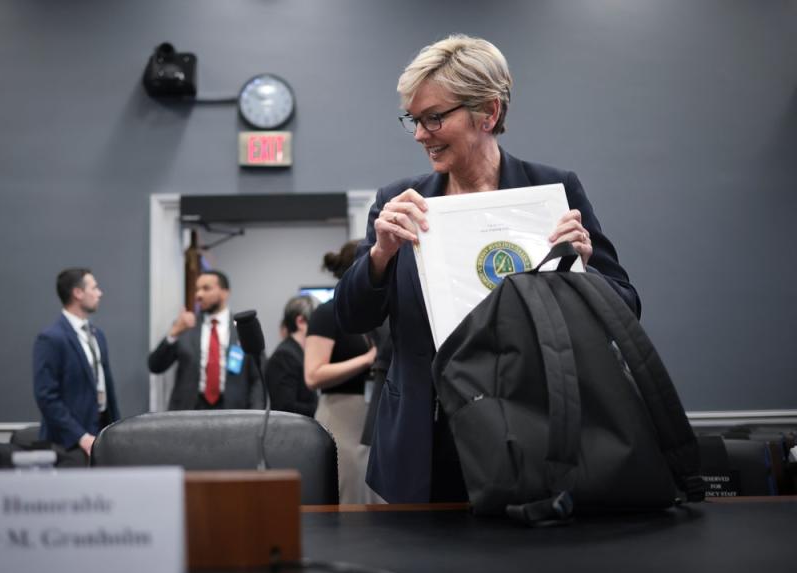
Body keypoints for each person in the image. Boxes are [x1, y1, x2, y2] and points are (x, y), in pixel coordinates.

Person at [335, 35, 640, 504]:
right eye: (414, 120)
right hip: (425, 444)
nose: (420, 134)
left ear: (489, 113)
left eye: (434, 117)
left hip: (536, 435)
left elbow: (625, 308)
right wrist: (379, 255)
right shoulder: (399, 201)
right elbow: (350, 318)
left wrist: (582, 268)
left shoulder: (553, 189)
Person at [305, 241, 381, 504]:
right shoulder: (327, 314)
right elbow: (313, 375)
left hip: (373, 414)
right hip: (341, 416)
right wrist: (367, 359)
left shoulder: (379, 313)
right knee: (348, 495)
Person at [33, 268, 120, 465]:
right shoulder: (51, 338)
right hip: (67, 446)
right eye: (94, 287)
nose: (100, 293)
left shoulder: (98, 335)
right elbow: (47, 397)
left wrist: (115, 433)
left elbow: (107, 390)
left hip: (101, 439)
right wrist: (81, 437)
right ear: (78, 293)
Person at [149, 270, 264, 410]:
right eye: (197, 289)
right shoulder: (186, 326)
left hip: (232, 411)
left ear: (225, 292)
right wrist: (173, 333)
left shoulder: (242, 328)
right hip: (190, 410)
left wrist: (255, 416)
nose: (199, 295)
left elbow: (258, 378)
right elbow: (156, 366)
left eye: (206, 288)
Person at [265, 294, 319, 417]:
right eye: (318, 320)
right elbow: (284, 407)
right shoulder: (285, 356)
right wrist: (319, 408)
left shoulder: (297, 352)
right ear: (300, 322)